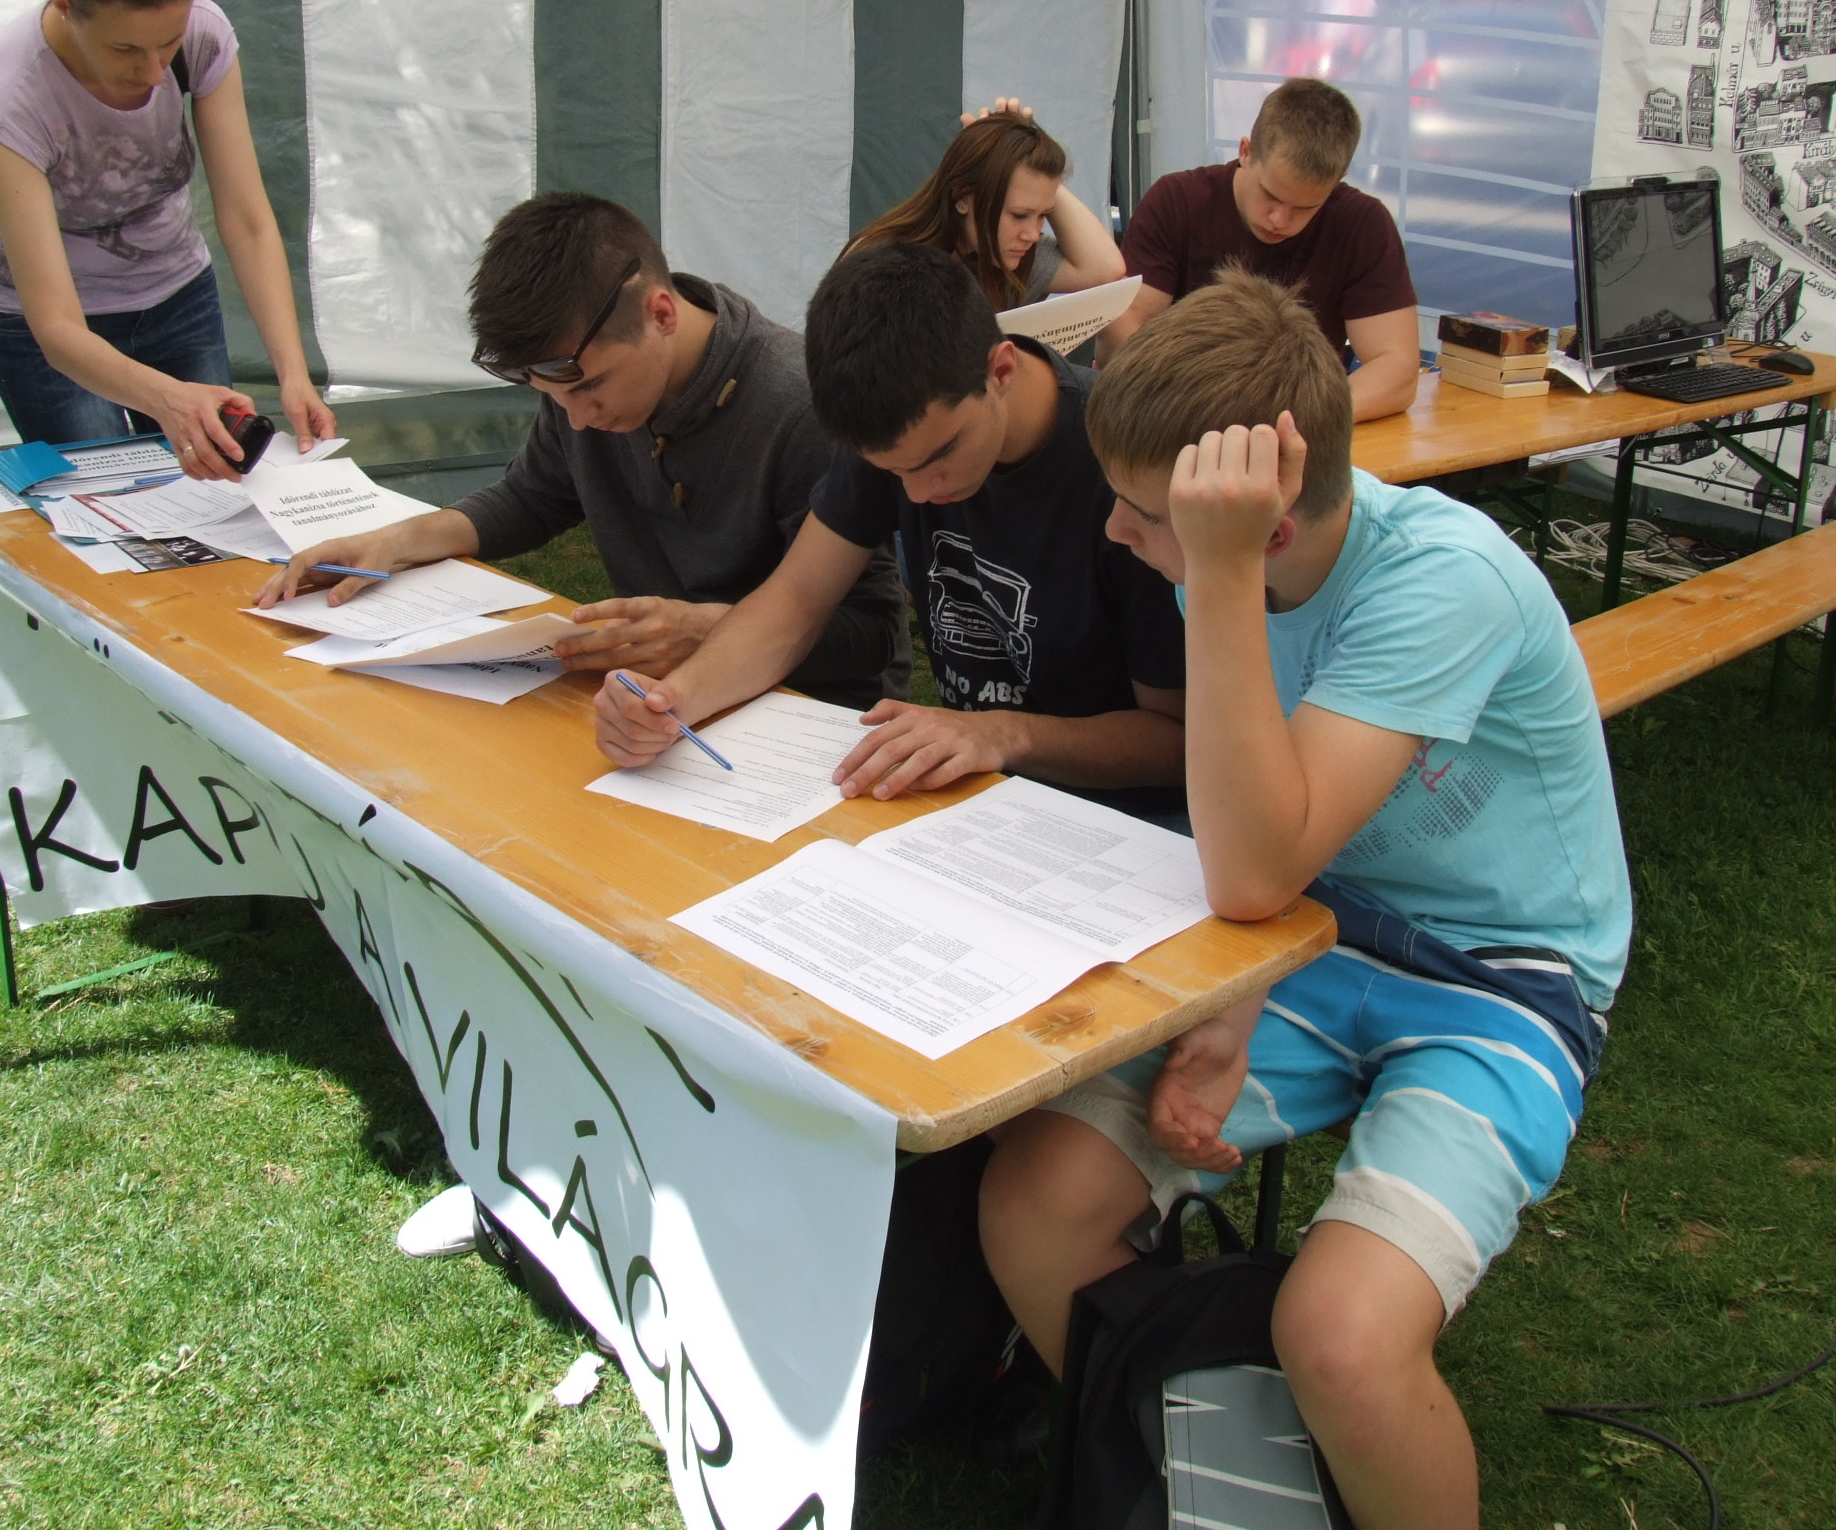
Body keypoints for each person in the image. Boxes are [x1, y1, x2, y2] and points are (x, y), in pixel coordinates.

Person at [980, 274, 1630, 1530]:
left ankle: (1280, 1452)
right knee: (1033, 1209)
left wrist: (1215, 580)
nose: (1115, 534)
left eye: (1140, 516)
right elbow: (1260, 845)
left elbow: (1252, 866)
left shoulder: (1442, 580)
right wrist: (1230, 1002)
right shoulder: (1219, 561)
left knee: (1339, 1339)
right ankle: (1204, 1488)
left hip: (1498, 981)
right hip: (1311, 928)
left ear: (1259, 528)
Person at [593, 241, 1185, 815]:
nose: (919, 493)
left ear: (1000, 370)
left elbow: (1178, 740)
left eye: (938, 457)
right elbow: (794, 601)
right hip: (973, 798)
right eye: (893, 472)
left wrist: (1004, 733)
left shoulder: (1128, 470)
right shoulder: (899, 431)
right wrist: (674, 700)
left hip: (1128, 824)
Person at [258, 193, 910, 707]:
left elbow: (872, 636)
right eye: (553, 397)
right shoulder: (577, 368)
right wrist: (397, 542)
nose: (578, 418)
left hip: (806, 718)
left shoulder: (800, 407)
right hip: (656, 700)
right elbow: (533, 497)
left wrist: (703, 629)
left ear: (661, 314)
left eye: (589, 388)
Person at [0, 0, 331, 479]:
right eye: (125, 49)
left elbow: (246, 217)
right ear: (64, 4)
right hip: (55, 324)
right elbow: (56, 328)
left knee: (216, 484)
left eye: (168, 43)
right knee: (110, 494)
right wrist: (170, 400)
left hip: (175, 291)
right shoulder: (10, 100)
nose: (155, 71)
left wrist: (293, 372)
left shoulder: (204, 33)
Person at [1099, 76, 1421, 421]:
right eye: (1270, 195)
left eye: (1306, 207)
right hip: (1179, 413)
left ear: (1338, 179)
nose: (1280, 220)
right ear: (1246, 152)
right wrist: (1200, 411)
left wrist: (1298, 420)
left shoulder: (1363, 224)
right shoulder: (1177, 201)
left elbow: (1398, 370)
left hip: (1297, 423)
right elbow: (1122, 329)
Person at [846, 103, 1125, 310]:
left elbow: (1106, 268)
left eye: (1044, 214)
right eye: (1019, 215)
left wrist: (1030, 152)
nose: (1031, 234)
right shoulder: (881, 263)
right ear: (962, 197)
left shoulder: (1009, 257)